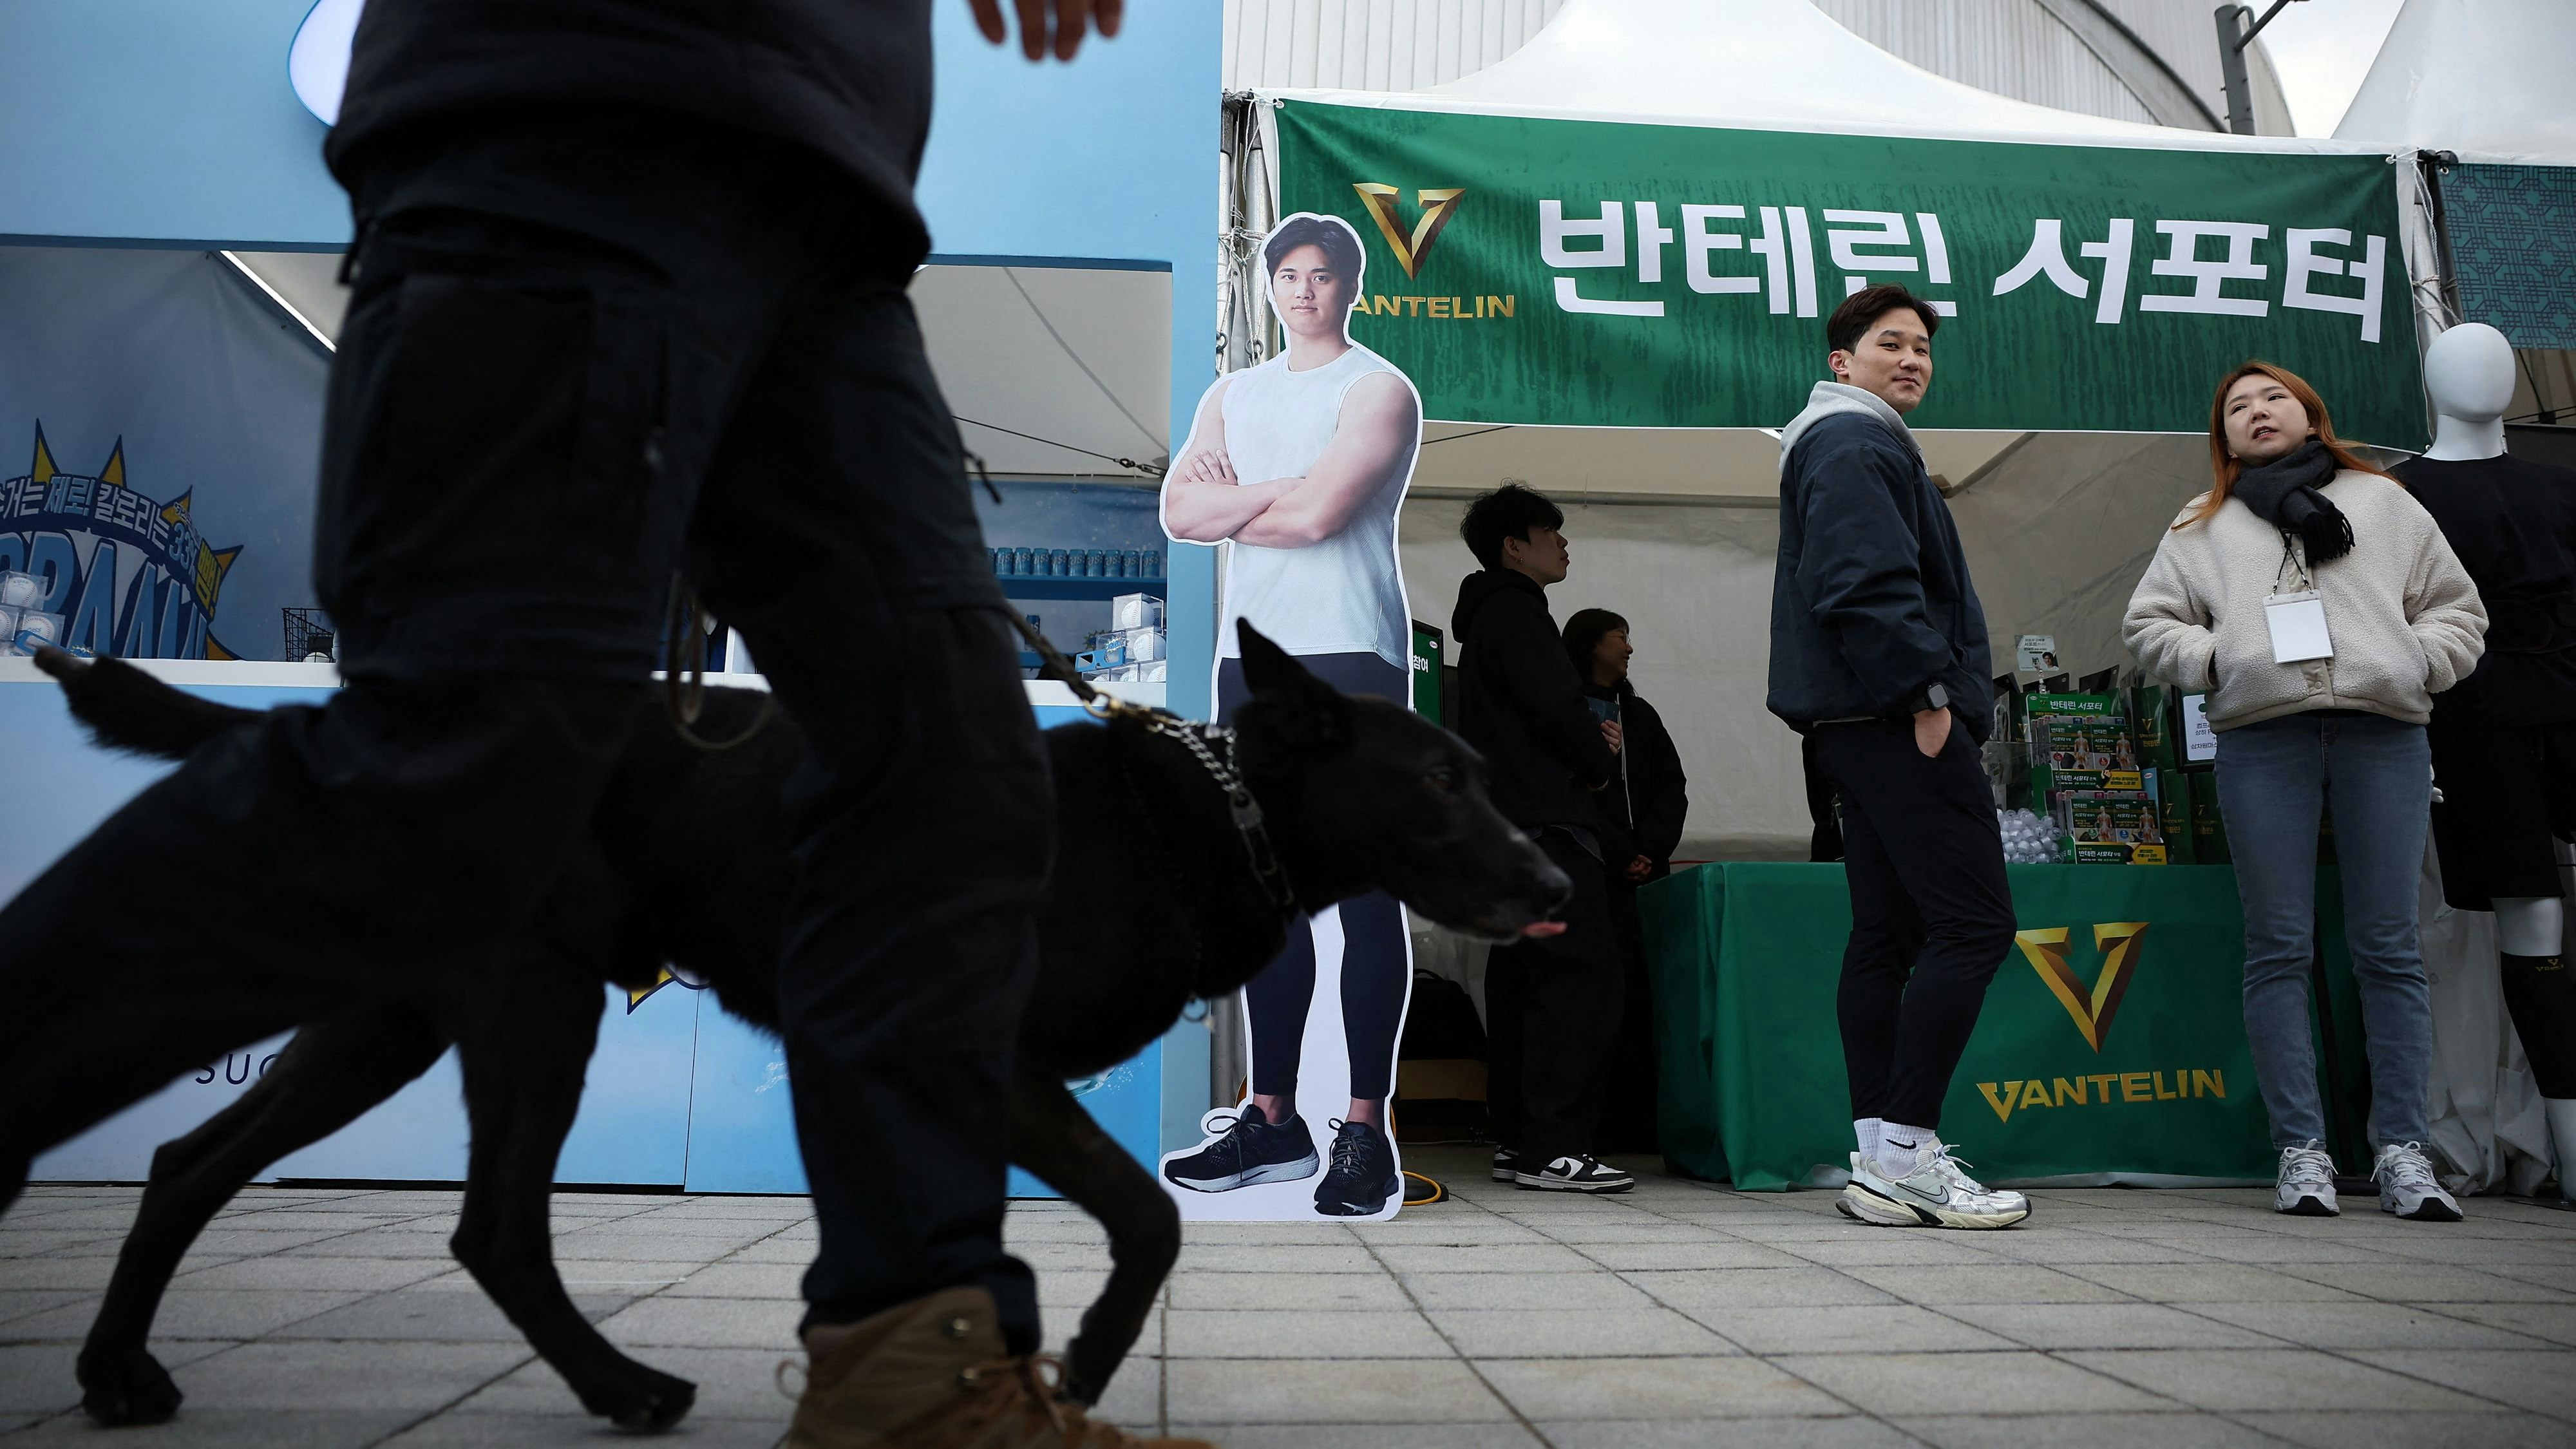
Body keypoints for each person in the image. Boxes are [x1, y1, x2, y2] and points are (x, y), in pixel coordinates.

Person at [0, 3, 1208, 1446]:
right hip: (574, 103)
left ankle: (911, 1378)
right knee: (457, 762)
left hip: (828, 222)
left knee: (948, 773)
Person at [2125, 360, 2486, 1223]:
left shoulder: (2386, 504)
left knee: (2390, 946)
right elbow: (2148, 624)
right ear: (2224, 439)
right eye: (2237, 408)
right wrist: (2215, 658)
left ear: (2312, 415)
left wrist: (2413, 659)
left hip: (2384, 732)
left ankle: (2403, 1149)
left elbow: (2458, 611)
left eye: (2272, 398)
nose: (2257, 412)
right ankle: (2303, 1149)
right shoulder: (2201, 523)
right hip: (2262, 739)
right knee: (2278, 944)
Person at [1158, 213, 1423, 1218]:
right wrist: (1280, 489)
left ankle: (1366, 1128)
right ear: (1269, 285)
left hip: (1352, 651)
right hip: (1248, 661)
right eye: (1288, 275)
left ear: (1349, 287)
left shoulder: (1377, 389)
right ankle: (1274, 1120)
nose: (1303, 290)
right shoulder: (1232, 393)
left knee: (1360, 892)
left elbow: (1320, 519)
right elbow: (1182, 516)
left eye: (1321, 275)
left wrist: (1247, 502)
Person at [1768, 283, 2029, 1231]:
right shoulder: (1852, 439)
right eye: (1891, 344)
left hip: (1856, 725)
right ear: (1843, 362)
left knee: (1888, 935)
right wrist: (1928, 696)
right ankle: (1910, 1150)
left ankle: (1882, 1155)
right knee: (1975, 926)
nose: (1913, 358)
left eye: (1922, 345)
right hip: (1892, 717)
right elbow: (1864, 584)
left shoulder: (1848, 440)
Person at [2393, 322, 2576, 1200]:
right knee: (2528, 922)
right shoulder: (2398, 495)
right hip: (2474, 721)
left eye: (2501, 356)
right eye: (2466, 359)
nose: (2492, 372)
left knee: (2536, 926)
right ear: (2430, 378)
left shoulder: (2559, 484)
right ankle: (2559, 1142)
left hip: (2561, 706)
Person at [1452, 484, 1631, 1193]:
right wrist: (1595, 759)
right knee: (1577, 981)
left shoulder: (1485, 619)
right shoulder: (1517, 616)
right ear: (1512, 547)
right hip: (1546, 826)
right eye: (1549, 534)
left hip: (1506, 829)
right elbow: (1555, 710)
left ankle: (1523, 1141)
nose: (1563, 545)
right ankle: (1555, 1146)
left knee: (1526, 980)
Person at [1561, 607, 1687, 1151]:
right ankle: (1598, 1126)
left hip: (1646, 880)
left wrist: (1652, 850)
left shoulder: (1642, 716)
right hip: (1596, 874)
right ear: (1592, 646)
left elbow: (1671, 786)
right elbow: (1578, 795)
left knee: (1644, 1001)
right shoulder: (1569, 712)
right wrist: (1619, 853)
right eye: (1620, 638)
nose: (1629, 648)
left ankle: (1642, 1123)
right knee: (1596, 1001)